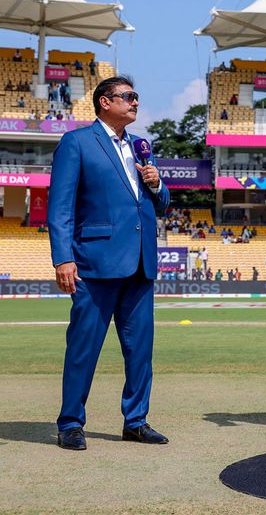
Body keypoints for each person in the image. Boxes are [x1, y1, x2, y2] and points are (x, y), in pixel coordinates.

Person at [47, 76, 170, 450]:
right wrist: (63, 257)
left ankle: (136, 420)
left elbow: (161, 205)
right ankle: (70, 422)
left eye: (136, 96)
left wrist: (157, 183)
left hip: (140, 264)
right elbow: (61, 206)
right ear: (104, 102)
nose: (135, 102)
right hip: (94, 264)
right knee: (84, 347)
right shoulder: (78, 142)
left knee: (140, 351)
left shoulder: (140, 147)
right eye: (128, 97)